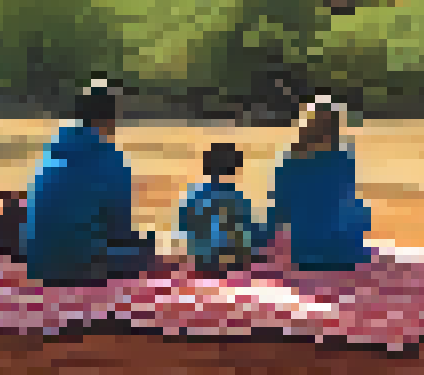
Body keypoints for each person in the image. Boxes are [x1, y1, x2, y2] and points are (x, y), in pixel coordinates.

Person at [22, 78, 158, 285]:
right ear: (109, 119)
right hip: (82, 268)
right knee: (148, 246)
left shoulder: (52, 150)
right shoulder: (112, 160)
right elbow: (119, 229)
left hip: (39, 264)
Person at [257, 96, 375, 271]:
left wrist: (265, 240)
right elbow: (347, 200)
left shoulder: (289, 158)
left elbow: (279, 208)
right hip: (344, 249)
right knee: (361, 208)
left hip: (305, 248)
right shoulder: (343, 157)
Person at [176, 142, 259, 276]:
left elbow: (184, 225)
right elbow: (251, 233)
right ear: (234, 167)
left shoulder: (195, 197)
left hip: (202, 262)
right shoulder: (238, 199)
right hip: (233, 264)